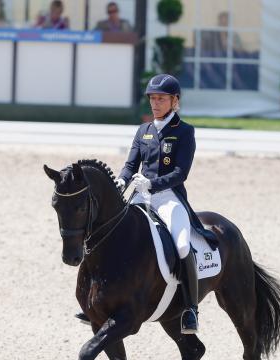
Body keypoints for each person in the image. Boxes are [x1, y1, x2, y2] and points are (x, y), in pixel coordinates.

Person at [76, 74, 205, 333]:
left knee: (181, 246)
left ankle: (190, 309)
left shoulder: (184, 131)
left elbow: (181, 173)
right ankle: (96, 302)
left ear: (174, 101)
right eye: (152, 98)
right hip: (139, 196)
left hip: (169, 197)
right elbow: (130, 165)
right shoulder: (143, 130)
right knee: (108, 234)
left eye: (161, 99)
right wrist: (121, 183)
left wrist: (153, 184)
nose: (155, 103)